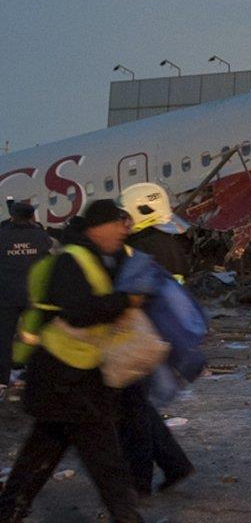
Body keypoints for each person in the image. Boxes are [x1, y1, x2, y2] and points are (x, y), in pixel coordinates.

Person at [0, 200, 143, 523]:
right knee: (105, 461)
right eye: (116, 223)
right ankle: (127, 517)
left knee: (41, 453)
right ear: (97, 227)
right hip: (65, 377)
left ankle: (9, 510)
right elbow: (78, 312)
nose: (122, 230)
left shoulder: (104, 257)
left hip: (75, 377)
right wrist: (124, 301)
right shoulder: (71, 260)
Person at [116, 183, 194, 497]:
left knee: (132, 410)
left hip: (145, 335)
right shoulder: (169, 243)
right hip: (163, 333)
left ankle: (139, 482)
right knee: (139, 406)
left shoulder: (142, 248)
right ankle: (174, 464)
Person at [0, 202, 52, 399]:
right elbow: (48, 251)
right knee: (36, 338)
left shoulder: (2, 234)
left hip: (7, 297)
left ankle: (3, 382)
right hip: (33, 297)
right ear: (32, 216)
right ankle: (39, 378)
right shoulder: (39, 235)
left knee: (4, 342)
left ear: (12, 216)